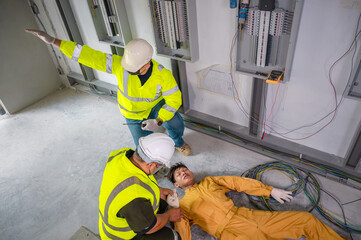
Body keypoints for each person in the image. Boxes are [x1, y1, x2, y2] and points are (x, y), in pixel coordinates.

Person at [25, 29, 191, 156]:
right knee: (142, 146)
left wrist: (159, 120)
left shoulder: (163, 75)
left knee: (175, 122)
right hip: (132, 113)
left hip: (155, 108)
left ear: (146, 65)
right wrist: (54, 41)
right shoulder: (120, 64)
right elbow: (90, 56)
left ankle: (177, 142)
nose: (128, 71)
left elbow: (174, 100)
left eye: (132, 70)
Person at [167, 162, 347, 240]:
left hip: (251, 217)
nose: (183, 172)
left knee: (305, 220)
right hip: (231, 234)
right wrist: (174, 211)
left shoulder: (209, 181)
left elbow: (237, 182)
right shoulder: (183, 205)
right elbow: (184, 235)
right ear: (176, 184)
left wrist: (270, 191)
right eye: (179, 174)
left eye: (185, 169)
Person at [98, 133, 183, 239]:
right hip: (120, 237)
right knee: (174, 237)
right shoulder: (134, 196)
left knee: (163, 202)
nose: (158, 169)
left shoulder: (121, 154)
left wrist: (158, 190)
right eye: (159, 166)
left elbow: (137, 180)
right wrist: (168, 216)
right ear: (151, 164)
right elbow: (149, 228)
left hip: (122, 214)